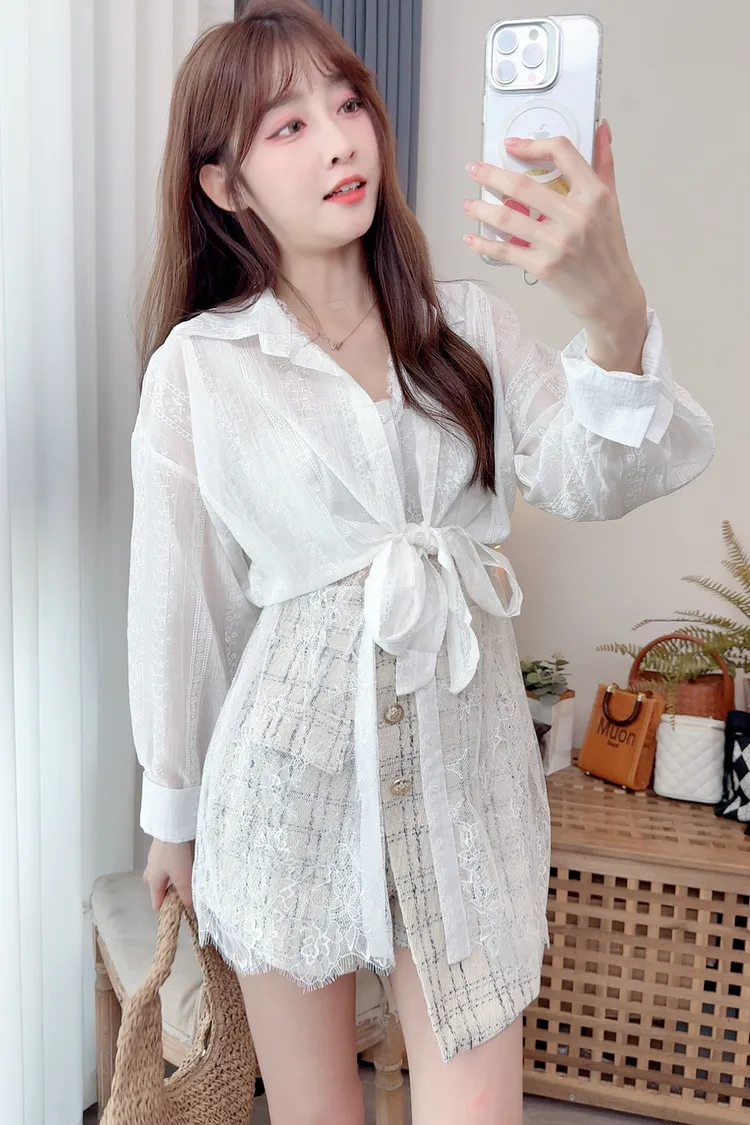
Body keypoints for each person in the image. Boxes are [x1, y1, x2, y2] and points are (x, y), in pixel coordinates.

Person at [128, 2, 714, 1122]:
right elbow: (180, 606)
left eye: (348, 103)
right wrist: (172, 811)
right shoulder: (201, 369)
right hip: (286, 785)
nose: (341, 139)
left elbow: (601, 471)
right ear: (226, 185)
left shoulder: (469, 327)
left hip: (467, 780)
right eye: (288, 125)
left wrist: (615, 308)